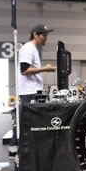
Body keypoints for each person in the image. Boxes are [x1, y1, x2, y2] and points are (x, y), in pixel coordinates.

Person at [9, 24, 55, 155]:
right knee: (27, 123)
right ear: (35, 34)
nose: (46, 38)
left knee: (29, 122)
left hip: (32, 91)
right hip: (29, 93)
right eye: (44, 35)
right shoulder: (28, 48)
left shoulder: (33, 49)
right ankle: (15, 148)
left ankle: (19, 149)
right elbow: (24, 70)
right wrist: (45, 69)